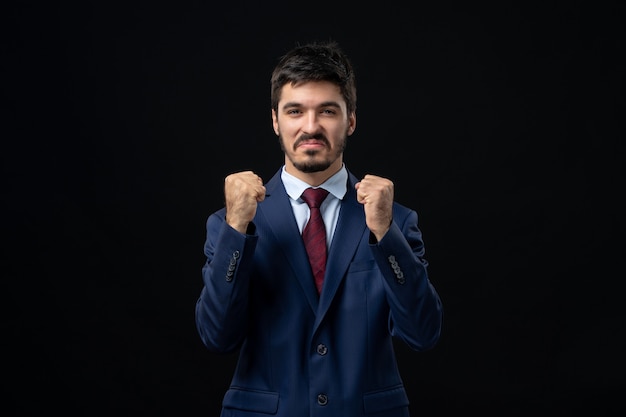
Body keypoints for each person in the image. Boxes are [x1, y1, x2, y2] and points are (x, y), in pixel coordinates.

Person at [195, 40, 443, 417]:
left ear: (351, 120)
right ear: (276, 120)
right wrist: (235, 230)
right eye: (295, 111)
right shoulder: (231, 223)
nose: (310, 127)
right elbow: (217, 337)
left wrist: (384, 234)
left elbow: (423, 334)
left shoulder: (395, 221)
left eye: (327, 111)